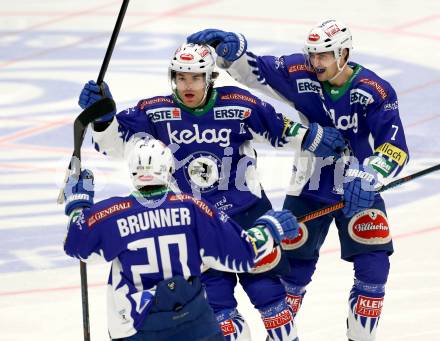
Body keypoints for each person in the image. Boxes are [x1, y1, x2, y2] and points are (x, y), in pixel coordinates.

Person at [78, 43, 350, 341]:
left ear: (210, 78)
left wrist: (313, 137)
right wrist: (104, 120)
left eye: (195, 78)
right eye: (181, 78)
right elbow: (115, 145)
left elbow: (279, 128)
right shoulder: (155, 112)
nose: (187, 85)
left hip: (248, 215)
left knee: (275, 307)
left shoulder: (238, 104)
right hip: (197, 227)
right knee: (222, 319)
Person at [187, 19, 410, 341]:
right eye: (312, 55)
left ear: (344, 53)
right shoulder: (299, 71)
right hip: (310, 186)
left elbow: (395, 146)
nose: (315, 63)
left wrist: (371, 174)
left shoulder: (374, 90)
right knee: (290, 275)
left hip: (358, 189)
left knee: (374, 273)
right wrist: (231, 52)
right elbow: (258, 72)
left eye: (324, 56)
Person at [63, 138, 300, 341]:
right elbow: (243, 254)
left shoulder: (112, 213)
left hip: (136, 326)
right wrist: (270, 227)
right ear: (168, 169)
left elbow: (76, 245)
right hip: (193, 323)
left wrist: (78, 205)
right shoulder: (193, 207)